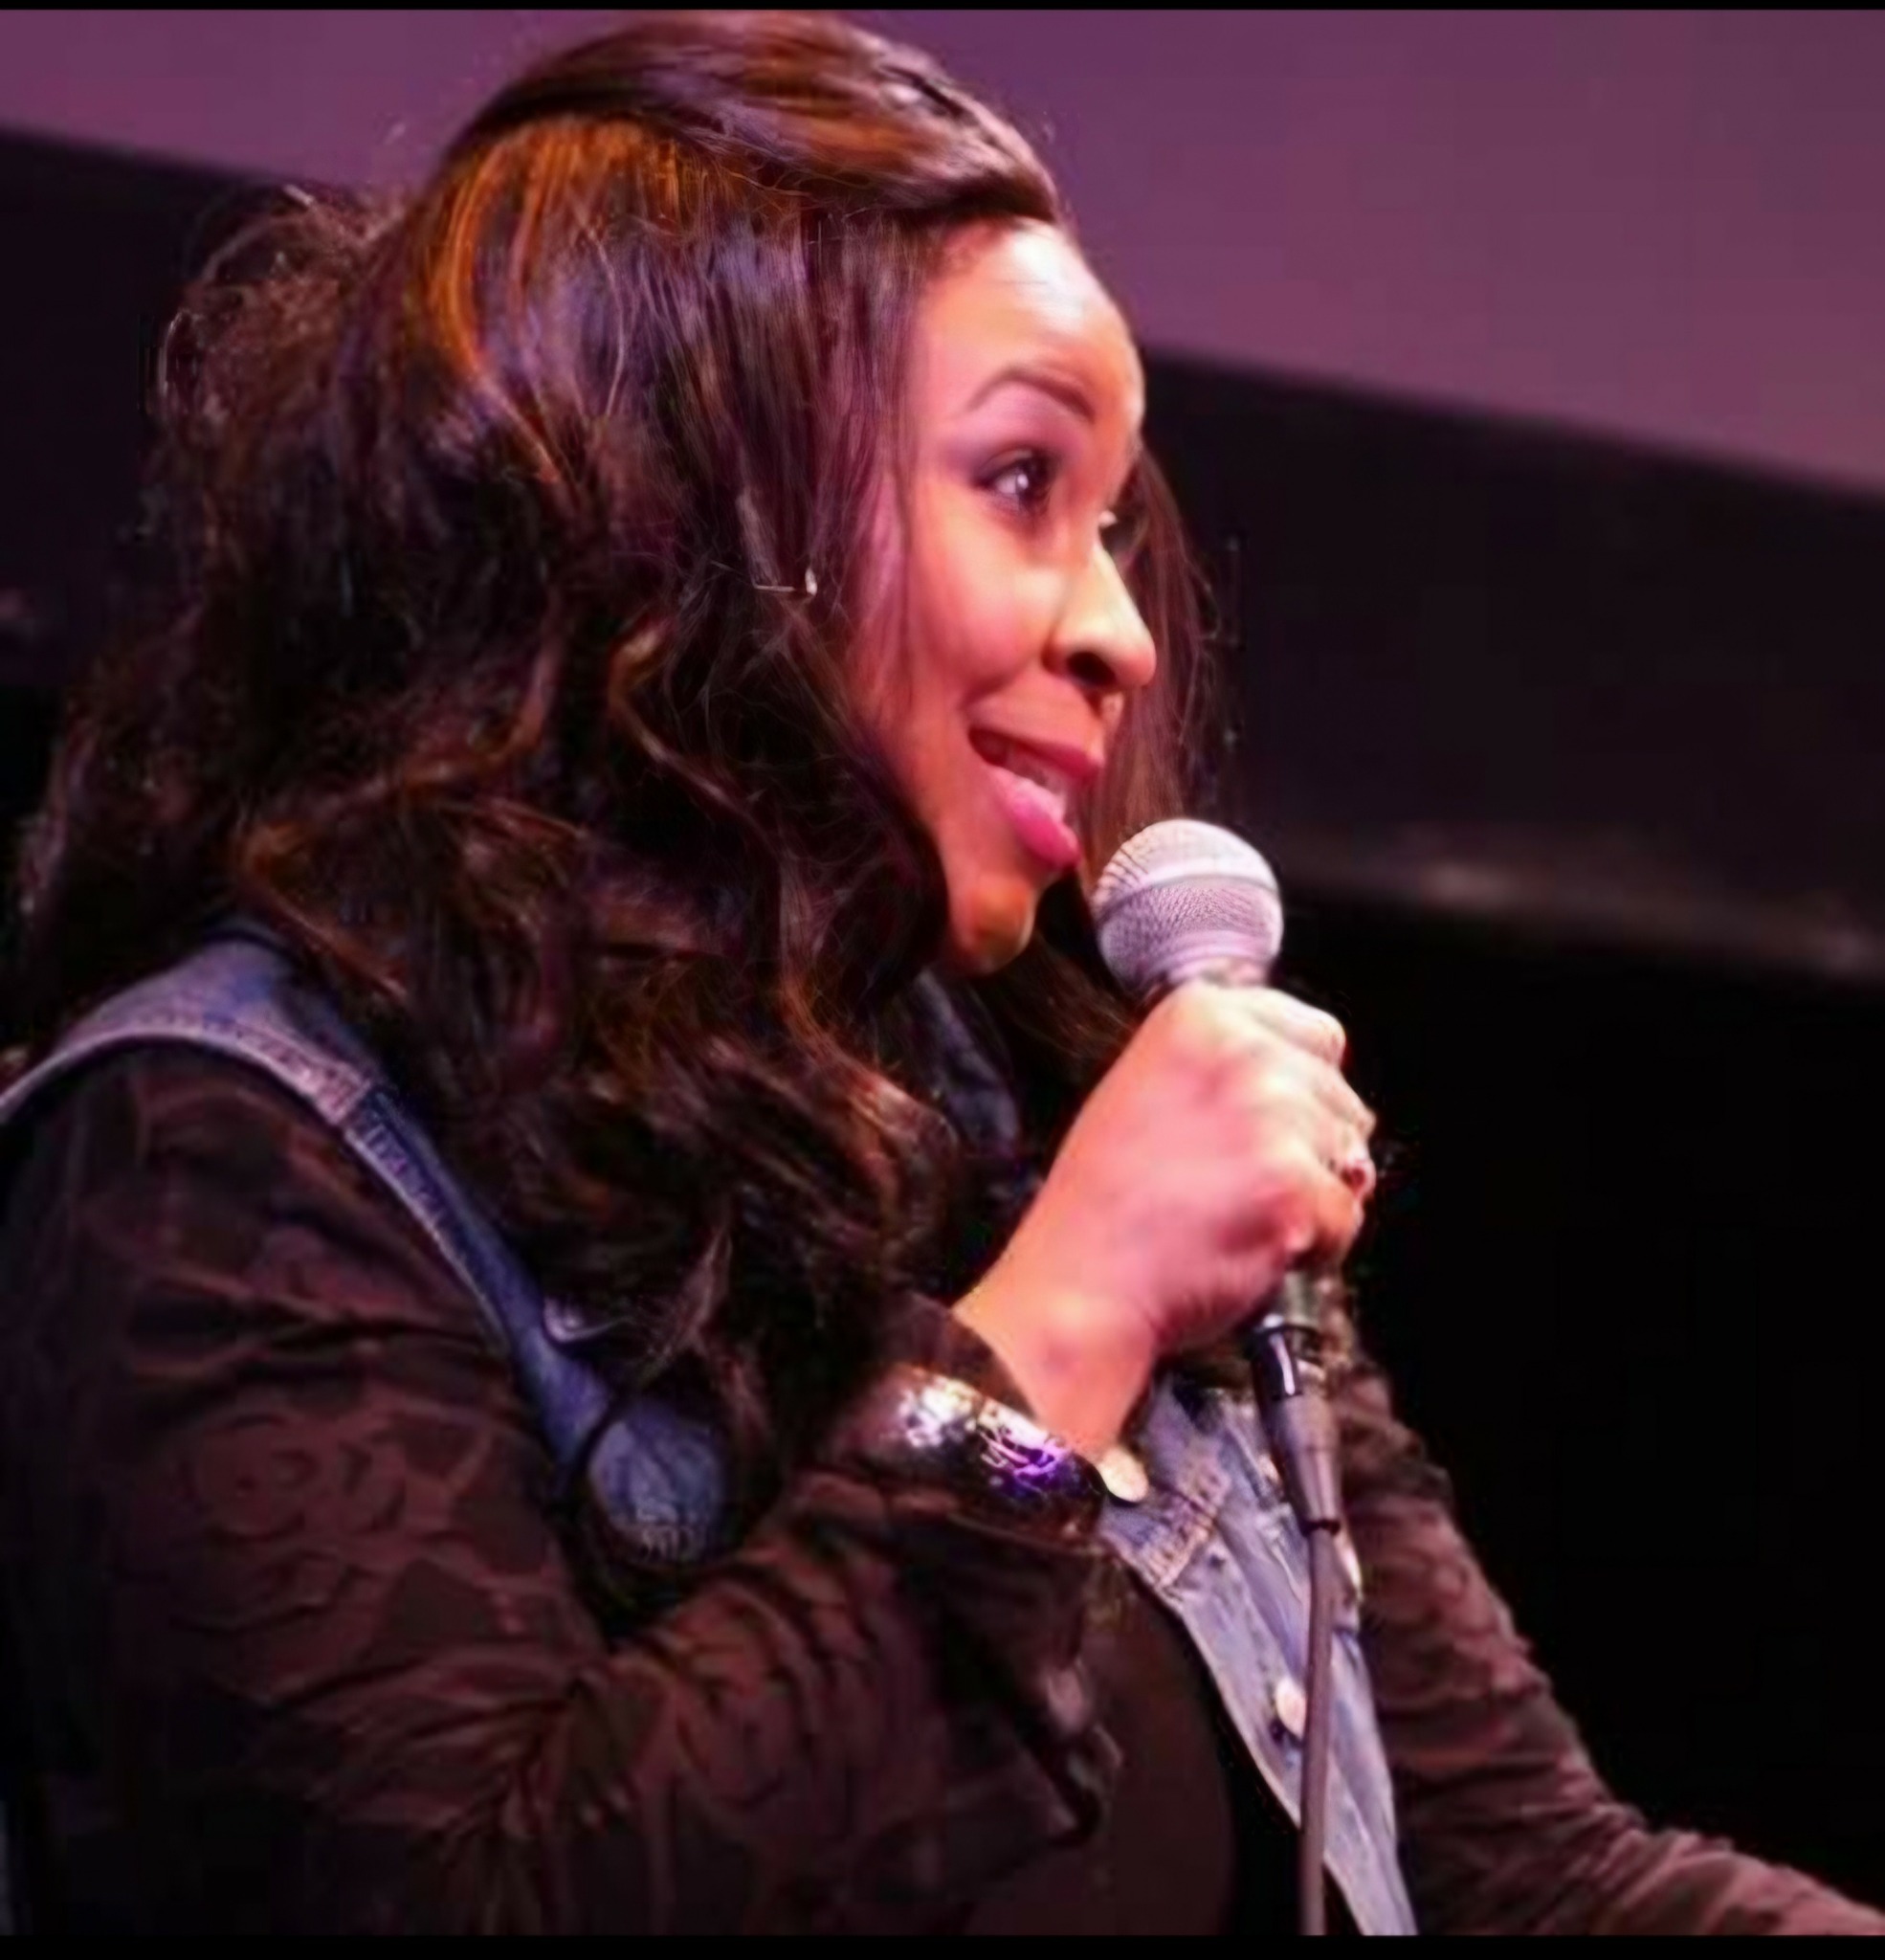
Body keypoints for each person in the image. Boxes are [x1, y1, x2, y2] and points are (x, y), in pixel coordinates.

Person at [0, 11, 1874, 1936]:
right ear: (689, 512)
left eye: (1112, 521)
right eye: (1019, 481)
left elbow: (1533, 1884)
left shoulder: (1030, 1130)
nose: (1119, 631)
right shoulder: (229, 1152)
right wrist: (1063, 1324)